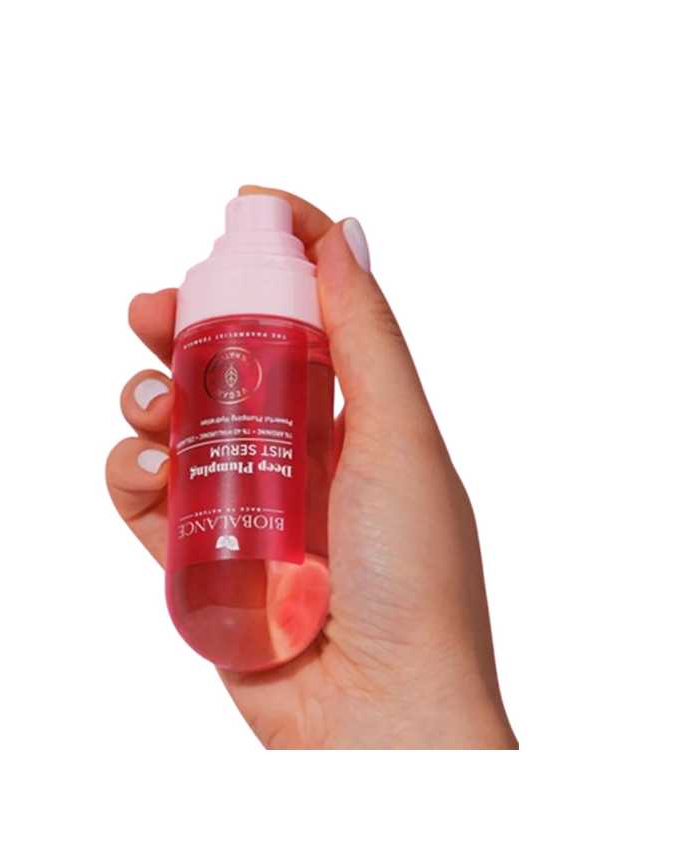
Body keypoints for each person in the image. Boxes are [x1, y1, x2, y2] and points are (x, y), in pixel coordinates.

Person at [106, 186, 517, 749]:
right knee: (185, 441)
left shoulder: (298, 331)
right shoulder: (216, 324)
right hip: (326, 678)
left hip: (340, 648)